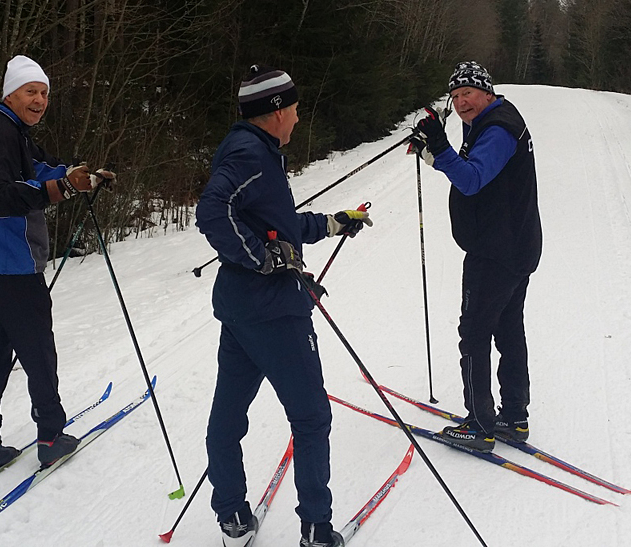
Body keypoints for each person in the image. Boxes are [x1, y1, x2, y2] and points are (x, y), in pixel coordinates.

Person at [196, 65, 371, 547]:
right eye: (293, 108)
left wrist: (334, 223)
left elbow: (276, 223)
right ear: (274, 112)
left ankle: (231, 515)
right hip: (274, 312)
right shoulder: (251, 154)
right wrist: (261, 256)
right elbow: (212, 210)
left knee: (228, 418)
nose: (297, 117)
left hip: (242, 310)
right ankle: (316, 529)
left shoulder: (254, 151)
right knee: (312, 416)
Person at [0, 55, 113, 478]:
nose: (40, 100)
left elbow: (36, 169)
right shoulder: (3, 134)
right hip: (8, 264)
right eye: (31, 91)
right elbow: (0, 197)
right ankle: (50, 436)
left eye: (44, 92)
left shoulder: (7, 130)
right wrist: (58, 188)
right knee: (37, 350)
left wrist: (77, 176)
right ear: (10, 92)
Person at [411, 61, 542, 453]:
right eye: (455, 96)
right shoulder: (489, 121)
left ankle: (480, 425)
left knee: (474, 333)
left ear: (487, 92)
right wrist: (433, 154)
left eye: (468, 92)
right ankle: (514, 418)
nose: (462, 102)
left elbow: (471, 179)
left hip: (496, 251)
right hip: (514, 245)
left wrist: (438, 146)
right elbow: (471, 169)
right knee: (506, 328)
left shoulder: (500, 127)